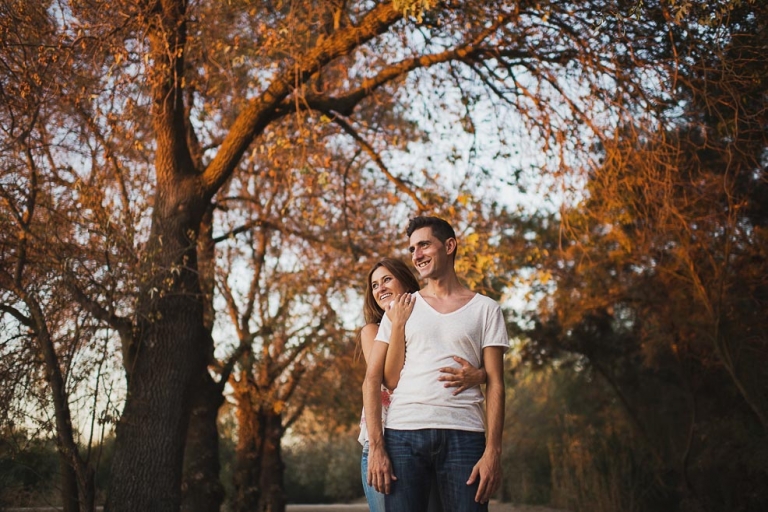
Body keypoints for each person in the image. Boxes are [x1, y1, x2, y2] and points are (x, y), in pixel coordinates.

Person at [363, 216, 509, 512]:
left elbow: (496, 383)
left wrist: (493, 451)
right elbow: (374, 381)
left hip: (465, 436)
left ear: (450, 246)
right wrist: (377, 447)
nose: (417, 255)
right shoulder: (400, 310)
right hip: (404, 435)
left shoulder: (486, 309)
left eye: (424, 245)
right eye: (412, 249)